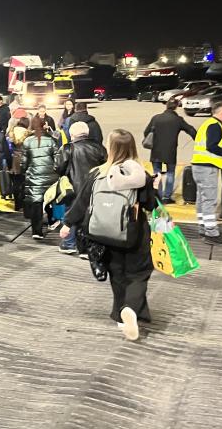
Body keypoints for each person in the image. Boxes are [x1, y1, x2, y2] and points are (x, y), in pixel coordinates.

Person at [61, 130, 159, 341]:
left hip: (103, 233)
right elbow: (151, 205)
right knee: (139, 272)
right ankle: (131, 309)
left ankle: (119, 314)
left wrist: (68, 223)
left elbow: (82, 201)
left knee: (117, 274)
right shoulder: (140, 175)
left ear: (111, 148)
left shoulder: (98, 173)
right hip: (133, 233)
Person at [54, 120, 107, 255]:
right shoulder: (99, 147)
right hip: (95, 187)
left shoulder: (67, 148)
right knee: (90, 215)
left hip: (74, 187)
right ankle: (86, 248)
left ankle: (69, 244)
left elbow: (58, 167)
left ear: (72, 134)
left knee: (71, 213)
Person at [190, 97, 222, 245]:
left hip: (198, 166)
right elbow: (212, 146)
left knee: (202, 199)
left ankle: (203, 227)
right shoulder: (215, 125)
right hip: (207, 167)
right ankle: (211, 233)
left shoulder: (207, 123)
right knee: (209, 200)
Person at [143, 98, 196, 203]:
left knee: (157, 173)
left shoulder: (156, 118)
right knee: (170, 173)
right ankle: (167, 197)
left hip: (156, 150)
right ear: (176, 107)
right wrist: (197, 139)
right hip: (170, 151)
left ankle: (158, 195)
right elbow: (191, 130)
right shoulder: (178, 120)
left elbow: (146, 132)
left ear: (166, 106)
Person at [21, 115, 60, 240]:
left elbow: (23, 162)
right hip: (50, 176)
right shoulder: (51, 140)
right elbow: (58, 160)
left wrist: (25, 172)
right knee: (53, 201)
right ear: (44, 126)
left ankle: (36, 231)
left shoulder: (27, 141)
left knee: (36, 204)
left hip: (34, 177)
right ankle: (53, 222)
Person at [7, 117, 30, 212]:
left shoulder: (11, 132)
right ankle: (23, 205)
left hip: (13, 159)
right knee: (24, 183)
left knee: (15, 183)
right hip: (24, 159)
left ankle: (16, 205)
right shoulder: (28, 133)